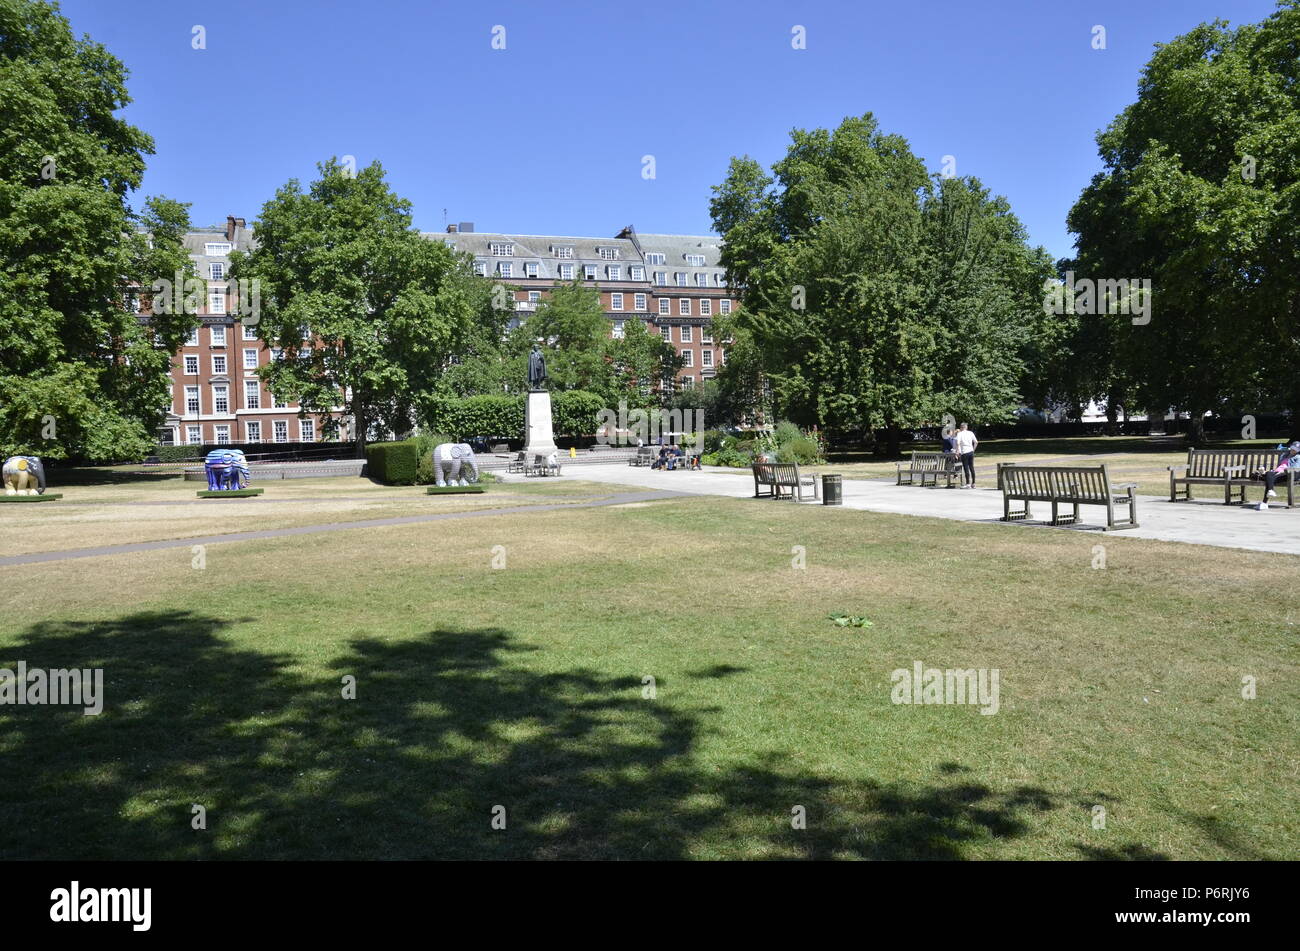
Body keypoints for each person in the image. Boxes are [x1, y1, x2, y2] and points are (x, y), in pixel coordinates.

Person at [1261, 441, 1300, 505]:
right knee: (1269, 474)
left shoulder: (1298, 457)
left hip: (1288, 475)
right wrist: (1276, 471)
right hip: (1278, 473)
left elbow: (1295, 468)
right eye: (1293, 448)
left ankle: (1264, 503)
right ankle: (1270, 491)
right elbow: (1280, 466)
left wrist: (1283, 471)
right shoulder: (1285, 455)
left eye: (1295, 449)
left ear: (1298, 451)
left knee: (1269, 479)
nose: (1293, 450)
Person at [953, 422, 978, 488]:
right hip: (971, 451)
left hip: (964, 452)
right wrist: (973, 449)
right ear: (966, 427)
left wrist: (957, 452)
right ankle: (974, 483)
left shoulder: (960, 434)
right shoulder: (970, 433)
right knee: (971, 467)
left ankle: (968, 483)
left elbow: (958, 443)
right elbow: (976, 442)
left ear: (961, 427)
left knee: (966, 467)